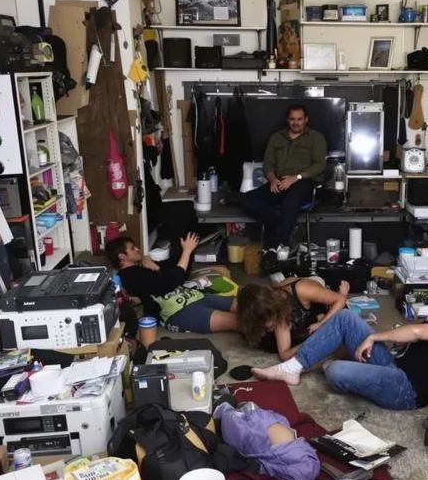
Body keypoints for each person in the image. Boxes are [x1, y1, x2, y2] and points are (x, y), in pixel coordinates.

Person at [251, 304, 428, 410]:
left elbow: (416, 332)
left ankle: (328, 365)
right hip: (395, 370)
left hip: (406, 391)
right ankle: (293, 367)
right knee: (345, 317)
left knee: (336, 370)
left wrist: (374, 337)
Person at [107, 234, 238, 334]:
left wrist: (155, 267)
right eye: (132, 248)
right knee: (238, 322)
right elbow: (169, 283)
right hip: (178, 311)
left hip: (193, 296)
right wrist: (186, 251)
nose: (138, 249)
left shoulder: (141, 267)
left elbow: (172, 279)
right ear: (122, 256)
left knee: (247, 305)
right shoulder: (128, 275)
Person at [240, 104, 327, 247]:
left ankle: (280, 246)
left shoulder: (316, 138)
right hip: (280, 182)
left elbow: (319, 165)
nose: (296, 122)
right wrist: (272, 178)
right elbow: (268, 163)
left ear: (306, 120)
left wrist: (296, 177)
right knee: (247, 199)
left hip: (304, 182)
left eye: (299, 119)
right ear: (287, 119)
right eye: (292, 119)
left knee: (290, 201)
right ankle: (277, 226)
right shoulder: (276, 138)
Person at [237, 277, 350, 359]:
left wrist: (322, 322)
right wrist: (311, 341)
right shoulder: (277, 314)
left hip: (311, 289)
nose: (267, 326)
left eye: (267, 321)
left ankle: (334, 292)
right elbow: (284, 355)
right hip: (288, 305)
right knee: (238, 314)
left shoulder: (302, 290)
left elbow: (339, 300)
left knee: (335, 307)